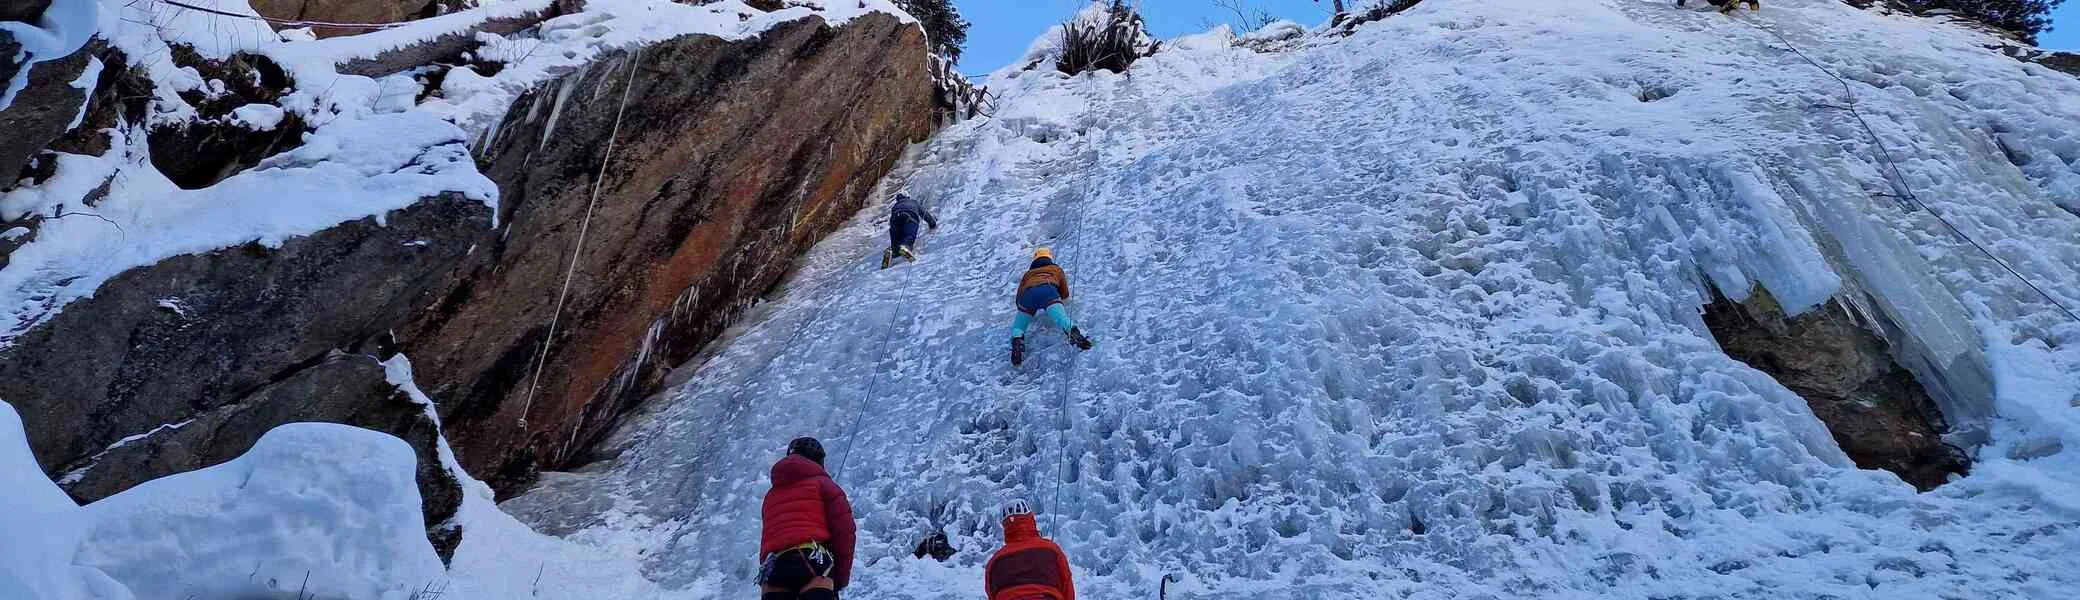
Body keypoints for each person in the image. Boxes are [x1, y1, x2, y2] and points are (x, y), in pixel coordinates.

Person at [758, 437, 857, 600]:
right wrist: (839, 578)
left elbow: (768, 540)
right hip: (811, 561)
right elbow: (845, 532)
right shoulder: (824, 484)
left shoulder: (770, 495)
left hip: (774, 568)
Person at [1010, 247, 1094, 367]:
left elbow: (1019, 295)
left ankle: (1017, 342)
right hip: (1048, 292)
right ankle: (1077, 337)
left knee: (1018, 327)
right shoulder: (1056, 269)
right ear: (1049, 258)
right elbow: (1064, 292)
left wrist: (1023, 308)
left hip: (1027, 296)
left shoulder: (1028, 274)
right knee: (1062, 319)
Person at [984, 500, 1075, 600]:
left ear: (1005, 526)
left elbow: (992, 595)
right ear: (1031, 519)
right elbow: (1067, 590)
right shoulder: (1052, 550)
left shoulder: (995, 562)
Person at [882, 193, 940, 269]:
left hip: (895, 219)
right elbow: (924, 213)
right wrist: (932, 223)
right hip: (909, 216)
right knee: (910, 236)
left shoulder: (895, 206)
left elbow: (892, 226)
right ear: (908, 197)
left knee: (896, 242)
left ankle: (891, 252)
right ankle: (905, 246)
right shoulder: (913, 202)